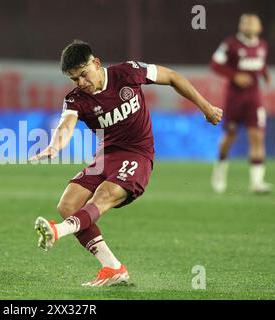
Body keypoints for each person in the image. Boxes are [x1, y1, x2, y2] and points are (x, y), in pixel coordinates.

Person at [29, 40, 223, 286]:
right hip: (105, 157)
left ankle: (57, 232)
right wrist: (55, 145)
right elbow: (66, 125)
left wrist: (206, 108)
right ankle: (112, 268)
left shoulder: (128, 72)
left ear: (96, 63)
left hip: (137, 154)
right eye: (74, 79)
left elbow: (172, 77)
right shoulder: (75, 99)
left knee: (104, 195)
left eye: (84, 75)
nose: (81, 83)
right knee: (67, 205)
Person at [210, 13, 272, 193]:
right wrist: (234, 75)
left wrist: (265, 74)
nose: (250, 26)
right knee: (229, 138)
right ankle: (220, 171)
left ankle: (257, 183)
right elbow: (215, 64)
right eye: (247, 23)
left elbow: (259, 65)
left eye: (254, 23)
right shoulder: (231, 44)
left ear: (259, 27)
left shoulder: (262, 45)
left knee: (257, 137)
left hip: (254, 99)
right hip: (235, 99)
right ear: (241, 26)